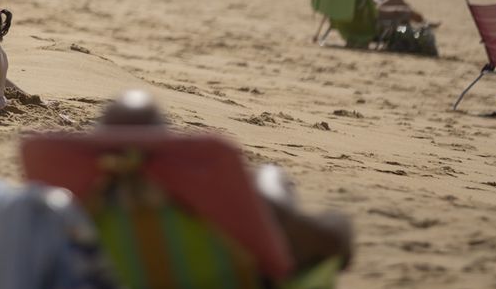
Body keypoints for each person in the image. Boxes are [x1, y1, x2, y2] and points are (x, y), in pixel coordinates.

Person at [98, 92, 354, 275]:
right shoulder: (224, 209)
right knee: (270, 177)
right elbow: (333, 242)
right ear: (169, 145)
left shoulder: (79, 214)